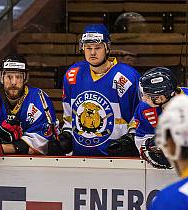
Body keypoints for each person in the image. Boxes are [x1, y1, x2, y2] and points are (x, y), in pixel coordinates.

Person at [113, 67, 188, 169]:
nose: (144, 99)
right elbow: (141, 137)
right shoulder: (146, 107)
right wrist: (148, 149)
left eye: (148, 95)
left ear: (162, 97)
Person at [57, 24, 140, 157]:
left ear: (107, 48)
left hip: (117, 161)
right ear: (82, 48)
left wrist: (130, 139)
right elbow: (69, 117)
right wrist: (66, 135)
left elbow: (139, 116)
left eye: (98, 48)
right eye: (88, 48)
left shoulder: (126, 78)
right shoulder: (73, 75)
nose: (93, 53)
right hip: (79, 158)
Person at [0, 55, 56, 165]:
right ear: (1, 78)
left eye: (18, 77)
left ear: (25, 78)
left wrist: (1, 147)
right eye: (9, 77)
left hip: (35, 167)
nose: (14, 82)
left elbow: (40, 147)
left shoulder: (40, 100)